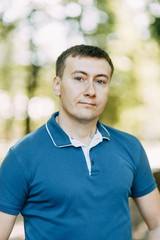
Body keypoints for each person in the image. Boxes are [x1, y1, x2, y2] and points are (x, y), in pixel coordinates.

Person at [0, 44, 160, 240]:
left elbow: (157, 224)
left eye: (100, 81)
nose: (90, 90)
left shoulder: (131, 147)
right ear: (57, 85)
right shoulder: (22, 156)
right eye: (79, 78)